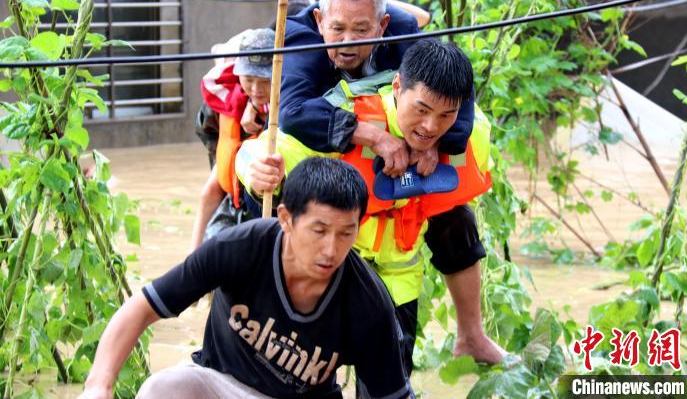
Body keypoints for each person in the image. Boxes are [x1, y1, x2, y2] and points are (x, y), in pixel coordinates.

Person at [238, 40, 504, 384]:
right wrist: (255, 168)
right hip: (329, 274)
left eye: (445, 116)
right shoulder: (350, 116)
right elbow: (259, 150)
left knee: (391, 387)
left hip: (399, 283)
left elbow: (470, 149)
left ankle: (471, 336)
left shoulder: (466, 134)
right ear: (397, 87)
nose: (430, 126)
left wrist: (437, 146)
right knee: (304, 382)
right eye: (421, 110)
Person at [279, 0, 504, 365]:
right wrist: (371, 135)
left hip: (401, 162)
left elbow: (457, 92)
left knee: (457, 219)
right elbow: (292, 115)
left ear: (382, 25)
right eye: (338, 30)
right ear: (320, 21)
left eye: (361, 30)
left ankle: (471, 335)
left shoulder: (402, 29)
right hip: (325, 153)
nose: (348, 42)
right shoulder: (300, 38)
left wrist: (439, 142)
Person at [79, 157, 413, 399]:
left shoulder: (368, 301)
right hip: (220, 385)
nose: (330, 249)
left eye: (345, 233)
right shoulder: (239, 247)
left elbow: (391, 394)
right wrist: (98, 385)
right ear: (286, 218)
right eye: (319, 230)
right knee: (161, 390)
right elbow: (144, 306)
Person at [189, 28, 274, 251]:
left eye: (265, 81)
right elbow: (209, 138)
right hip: (234, 200)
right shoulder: (224, 105)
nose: (256, 89)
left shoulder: (288, 109)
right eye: (249, 79)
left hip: (269, 210)